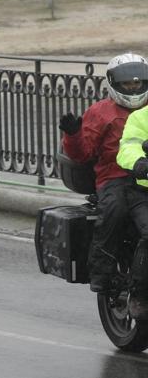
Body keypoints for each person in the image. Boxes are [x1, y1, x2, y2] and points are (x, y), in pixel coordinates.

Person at [60, 53, 148, 295]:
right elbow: (83, 154)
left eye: (137, 82)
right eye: (127, 83)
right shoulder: (100, 112)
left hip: (146, 176)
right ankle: (102, 270)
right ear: (114, 83)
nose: (133, 87)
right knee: (115, 210)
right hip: (115, 177)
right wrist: (73, 135)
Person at [115, 58, 148, 319]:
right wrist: (138, 162)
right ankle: (139, 294)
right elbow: (128, 146)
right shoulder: (140, 117)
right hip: (143, 191)